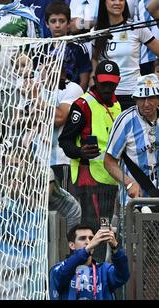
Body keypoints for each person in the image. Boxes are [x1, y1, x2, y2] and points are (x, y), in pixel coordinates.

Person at [59, 60, 121, 231]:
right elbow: (64, 140)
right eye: (104, 83)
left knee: (105, 225)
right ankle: (91, 258)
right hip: (89, 177)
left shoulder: (117, 104)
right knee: (94, 226)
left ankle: (100, 258)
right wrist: (80, 152)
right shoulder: (83, 105)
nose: (107, 88)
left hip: (110, 176)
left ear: (118, 82)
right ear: (95, 80)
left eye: (111, 84)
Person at [92, 0, 159, 111]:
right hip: (105, 95)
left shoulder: (136, 28)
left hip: (132, 95)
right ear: (104, 3)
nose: (117, 3)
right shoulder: (96, 31)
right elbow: (95, 58)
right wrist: (92, 80)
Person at [104, 74, 159, 203]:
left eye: (151, 97)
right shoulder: (125, 120)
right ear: (135, 99)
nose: (146, 104)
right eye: (141, 98)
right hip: (134, 200)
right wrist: (129, 184)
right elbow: (108, 161)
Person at [49, 223, 129, 300]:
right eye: (82, 238)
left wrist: (115, 247)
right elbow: (63, 272)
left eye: (91, 238)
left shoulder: (104, 270)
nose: (88, 242)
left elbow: (123, 276)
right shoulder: (60, 269)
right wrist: (87, 248)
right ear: (71, 245)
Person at [45, 0, 92, 92]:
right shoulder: (41, 48)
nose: (57, 25)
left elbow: (84, 79)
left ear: (69, 23)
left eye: (62, 21)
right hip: (48, 97)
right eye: (53, 21)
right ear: (47, 24)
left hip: (73, 96)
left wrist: (77, 98)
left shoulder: (79, 47)